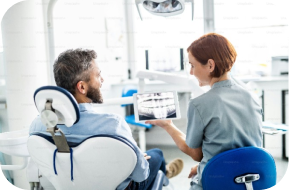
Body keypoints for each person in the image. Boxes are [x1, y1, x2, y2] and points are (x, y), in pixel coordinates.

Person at [29, 49, 184, 190]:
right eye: (98, 75)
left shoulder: (38, 125)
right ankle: (165, 173)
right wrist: (137, 160)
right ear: (82, 87)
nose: (102, 79)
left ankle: (165, 172)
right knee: (156, 155)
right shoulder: (113, 125)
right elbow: (140, 175)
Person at [145, 33, 263, 190]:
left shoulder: (200, 104)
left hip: (218, 184)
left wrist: (168, 125)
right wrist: (207, 167)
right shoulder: (252, 96)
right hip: (250, 181)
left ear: (210, 65)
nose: (191, 72)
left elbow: (196, 154)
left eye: (192, 65)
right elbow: (239, 149)